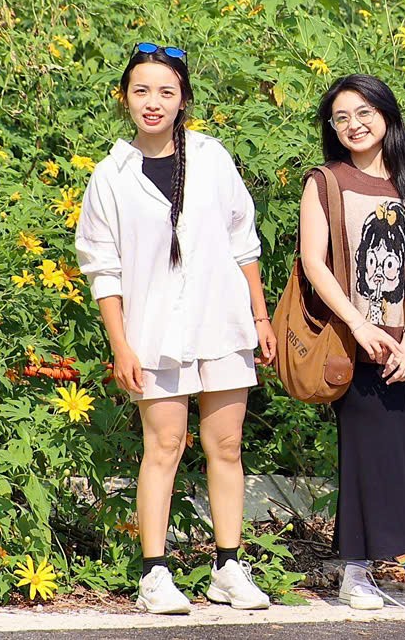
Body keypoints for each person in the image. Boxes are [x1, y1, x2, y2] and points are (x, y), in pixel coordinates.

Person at [75, 42, 276, 614]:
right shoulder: (111, 176)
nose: (153, 102)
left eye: (166, 91)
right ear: (125, 98)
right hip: (153, 334)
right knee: (163, 445)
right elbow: (103, 268)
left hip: (223, 322)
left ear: (183, 99)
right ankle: (155, 574)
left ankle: (228, 568)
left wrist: (260, 318)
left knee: (227, 445)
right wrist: (121, 344)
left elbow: (244, 243)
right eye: (142, 91)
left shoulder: (213, 158)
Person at [298, 74, 405, 615]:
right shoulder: (324, 181)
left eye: (362, 112)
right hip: (348, 339)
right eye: (340, 117)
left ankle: (356, 572)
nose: (353, 125)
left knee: (396, 448)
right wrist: (358, 324)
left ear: (387, 115)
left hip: (398, 342)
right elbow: (314, 263)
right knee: (375, 448)